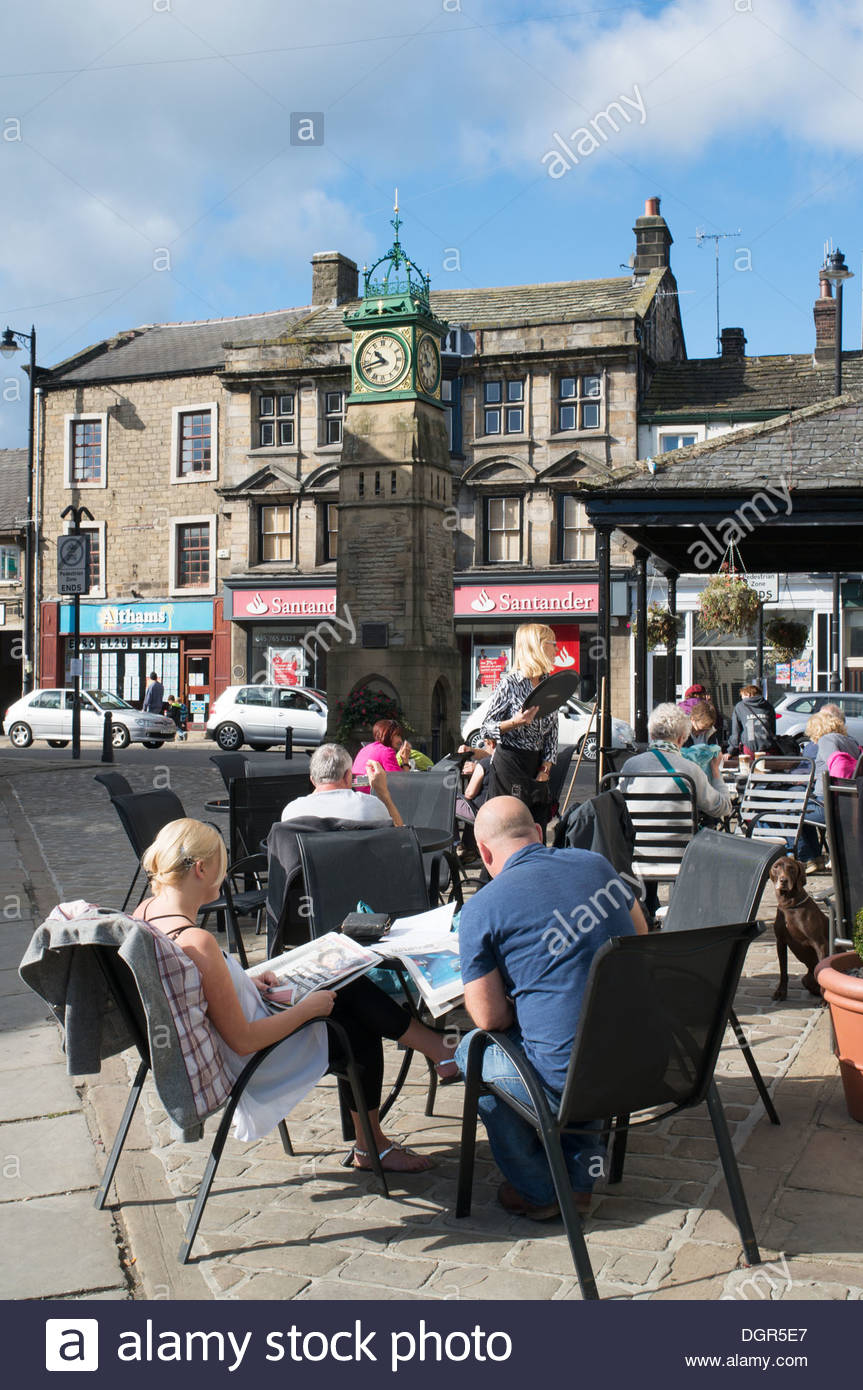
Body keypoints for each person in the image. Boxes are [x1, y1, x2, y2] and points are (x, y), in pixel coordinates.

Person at [132, 818, 458, 1170]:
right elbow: (243, 1040)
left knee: (344, 982)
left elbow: (201, 987)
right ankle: (379, 1136)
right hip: (256, 1058)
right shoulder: (198, 941)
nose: (224, 874)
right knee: (353, 1021)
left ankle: (426, 1065)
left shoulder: (147, 916)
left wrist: (241, 981)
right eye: (221, 864)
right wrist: (307, 1010)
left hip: (233, 1037)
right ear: (201, 869)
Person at [454, 797, 647, 1220]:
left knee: (471, 1049)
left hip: (568, 1082)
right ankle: (579, 1179)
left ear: (484, 853)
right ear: (538, 834)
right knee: (576, 1027)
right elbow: (639, 933)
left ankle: (541, 1187)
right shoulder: (596, 866)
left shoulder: (481, 908)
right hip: (638, 1067)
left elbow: (491, 1019)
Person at [618, 703, 732, 917]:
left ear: (651, 734)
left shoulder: (630, 766)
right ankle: (684, 913)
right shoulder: (690, 770)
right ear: (682, 738)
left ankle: (648, 911)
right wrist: (716, 773)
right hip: (680, 858)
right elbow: (721, 808)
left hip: (637, 857)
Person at [478, 622, 559, 831]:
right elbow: (485, 729)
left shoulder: (547, 682)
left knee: (536, 827)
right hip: (510, 764)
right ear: (538, 647)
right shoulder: (511, 683)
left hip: (536, 765)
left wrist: (546, 768)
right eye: (553, 644)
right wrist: (515, 722)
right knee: (507, 830)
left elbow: (552, 731)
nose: (557, 649)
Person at [795, 707, 861, 869]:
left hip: (829, 804)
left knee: (792, 809)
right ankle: (815, 858)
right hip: (847, 803)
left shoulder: (826, 740)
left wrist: (833, 794)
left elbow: (839, 765)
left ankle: (809, 858)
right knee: (800, 804)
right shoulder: (849, 741)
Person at [280, 743, 402, 826]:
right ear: (348, 775)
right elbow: (401, 837)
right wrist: (383, 793)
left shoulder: (292, 812)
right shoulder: (372, 806)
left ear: (312, 780)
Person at [352, 718, 412, 783]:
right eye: (397, 735)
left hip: (359, 790)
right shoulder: (386, 751)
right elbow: (402, 784)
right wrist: (405, 760)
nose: (400, 740)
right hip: (373, 791)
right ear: (387, 734)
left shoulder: (365, 748)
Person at [726, 684, 778, 758]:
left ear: (748, 694)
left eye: (742, 696)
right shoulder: (768, 706)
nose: (742, 698)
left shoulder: (740, 707)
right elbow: (773, 729)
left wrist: (731, 751)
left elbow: (736, 732)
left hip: (749, 750)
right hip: (768, 749)